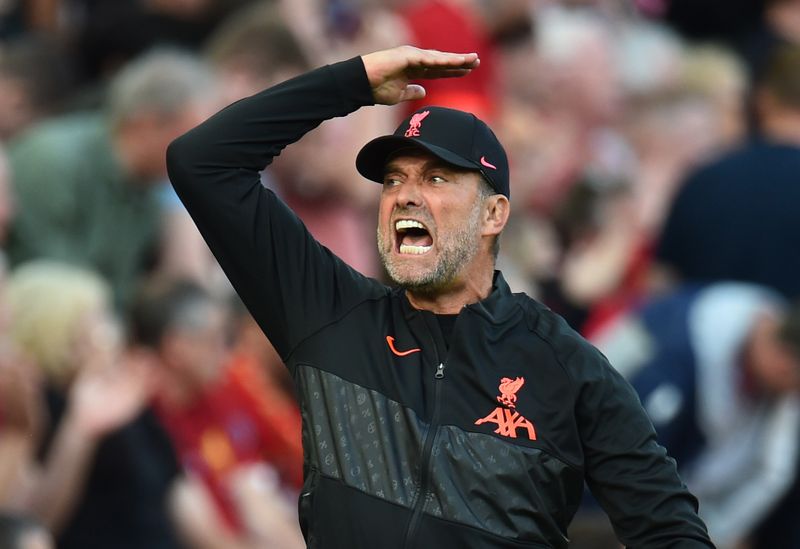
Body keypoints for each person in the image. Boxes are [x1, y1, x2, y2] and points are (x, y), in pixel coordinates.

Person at [167, 45, 712, 547]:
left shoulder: (568, 368)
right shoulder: (329, 311)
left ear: (493, 215)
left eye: (435, 179)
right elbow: (202, 162)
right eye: (394, 180)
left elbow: (669, 530)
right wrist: (351, 82)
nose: (405, 195)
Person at [593, 282, 800, 548]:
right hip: (585, 492)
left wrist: (718, 533)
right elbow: (587, 373)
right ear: (785, 363)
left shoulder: (777, 399)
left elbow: (772, 472)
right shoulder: (673, 330)